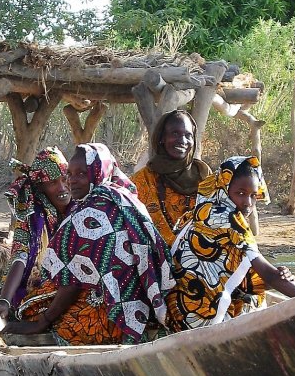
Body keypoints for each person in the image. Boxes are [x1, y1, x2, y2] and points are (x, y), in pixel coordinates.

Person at [10, 142, 173, 346]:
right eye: (69, 174)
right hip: (145, 307)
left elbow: (72, 281)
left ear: (99, 172)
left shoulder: (89, 213)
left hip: (112, 317)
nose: (71, 182)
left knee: (30, 310)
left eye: (81, 174)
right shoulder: (126, 198)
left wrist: (43, 322)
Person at [166, 156, 295, 331]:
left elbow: (236, 275)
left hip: (177, 315)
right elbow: (268, 276)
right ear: (224, 190)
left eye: (253, 195)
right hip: (200, 321)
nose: (248, 203)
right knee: (253, 301)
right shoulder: (228, 218)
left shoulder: (201, 211)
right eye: (240, 193)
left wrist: (277, 274)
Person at [0, 147, 72, 320]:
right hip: (43, 290)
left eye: (64, 179)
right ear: (41, 188)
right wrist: (4, 301)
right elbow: (20, 255)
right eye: (53, 183)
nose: (62, 188)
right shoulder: (32, 216)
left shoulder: (84, 207)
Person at [133, 109, 212, 247]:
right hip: (155, 260)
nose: (182, 141)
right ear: (162, 138)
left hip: (200, 258)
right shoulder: (142, 180)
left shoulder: (204, 176)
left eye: (188, 135)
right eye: (175, 133)